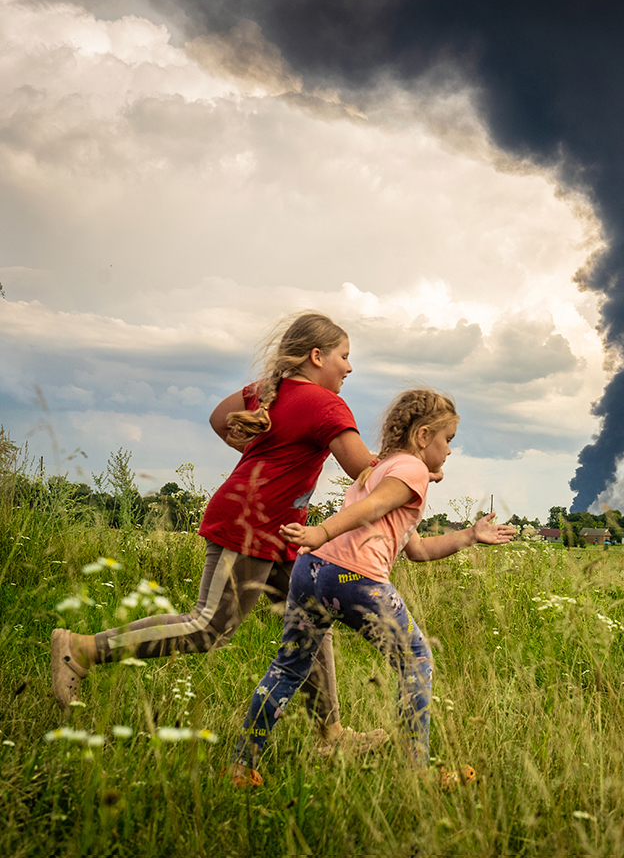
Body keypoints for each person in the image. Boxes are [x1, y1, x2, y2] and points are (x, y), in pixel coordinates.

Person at [51, 312, 382, 752]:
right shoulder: (325, 403)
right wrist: (414, 465)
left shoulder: (272, 391)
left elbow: (218, 417)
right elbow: (364, 470)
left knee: (311, 620)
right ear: (317, 356)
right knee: (209, 627)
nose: (349, 367)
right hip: (248, 526)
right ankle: (84, 649)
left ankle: (331, 734)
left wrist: (257, 449)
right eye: (345, 356)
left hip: (281, 533)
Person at [226, 388, 515, 788]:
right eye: (447, 440)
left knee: (290, 666)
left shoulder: (381, 470)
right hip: (353, 576)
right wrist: (321, 529)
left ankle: (241, 766)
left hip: (312, 570)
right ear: (423, 435)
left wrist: (471, 534)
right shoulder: (410, 471)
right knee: (415, 660)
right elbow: (374, 508)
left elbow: (418, 550)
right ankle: (418, 772)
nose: (449, 452)